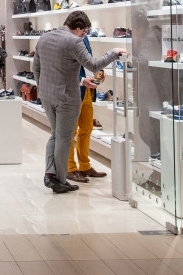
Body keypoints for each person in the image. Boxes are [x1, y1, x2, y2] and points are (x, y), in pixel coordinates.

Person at [33, 11, 126, 194]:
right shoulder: (74, 41)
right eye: (83, 32)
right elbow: (93, 65)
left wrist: (44, 88)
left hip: (47, 95)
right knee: (64, 138)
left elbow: (37, 68)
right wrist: (114, 52)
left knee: (55, 135)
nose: (84, 36)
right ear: (77, 27)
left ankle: (50, 174)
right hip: (67, 98)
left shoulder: (44, 37)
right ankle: (60, 180)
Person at [67, 34, 107, 183]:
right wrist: (81, 80)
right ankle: (70, 168)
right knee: (70, 132)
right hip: (74, 90)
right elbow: (64, 67)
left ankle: (84, 166)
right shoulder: (67, 40)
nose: (85, 32)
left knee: (87, 128)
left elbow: (88, 61)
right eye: (83, 29)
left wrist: (97, 72)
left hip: (88, 91)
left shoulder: (85, 38)